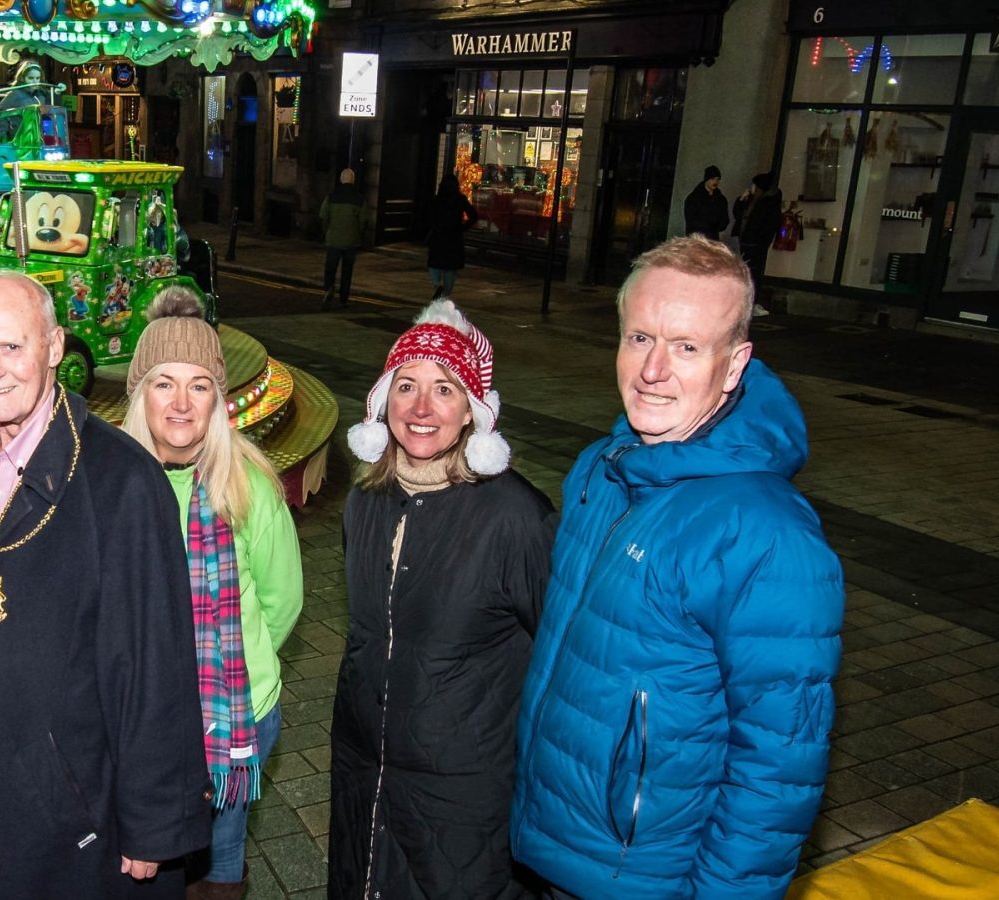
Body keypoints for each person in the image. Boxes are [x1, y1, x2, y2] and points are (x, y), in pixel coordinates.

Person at [510, 237, 844, 899]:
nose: (653, 370)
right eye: (639, 338)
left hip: (646, 878)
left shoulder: (768, 536)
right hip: (557, 850)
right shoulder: (601, 471)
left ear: (734, 364)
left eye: (687, 347)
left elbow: (777, 771)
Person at [0, 270, 212, 897]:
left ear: (54, 348)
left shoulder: (123, 479)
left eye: (12, 346)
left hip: (61, 808)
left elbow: (153, 665)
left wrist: (156, 819)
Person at [329, 300, 556, 899]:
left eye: (444, 390)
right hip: (365, 770)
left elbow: (559, 664)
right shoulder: (366, 502)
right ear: (382, 405)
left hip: (463, 795)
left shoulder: (515, 518)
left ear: (472, 412)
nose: (422, 408)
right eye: (406, 386)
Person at [121, 290, 304, 900]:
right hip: (138, 714)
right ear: (138, 392)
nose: (179, 403)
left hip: (234, 713)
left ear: (219, 403)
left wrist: (224, 666)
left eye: (199, 385)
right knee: (142, 847)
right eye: (163, 382)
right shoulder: (111, 487)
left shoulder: (247, 486)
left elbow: (281, 601)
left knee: (220, 853)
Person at [732, 171, 784, 316]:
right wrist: (741, 200)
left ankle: (751, 303)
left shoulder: (767, 204)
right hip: (746, 241)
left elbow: (770, 225)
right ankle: (743, 303)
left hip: (755, 243)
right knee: (745, 271)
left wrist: (762, 241)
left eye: (754, 185)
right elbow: (738, 214)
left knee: (753, 272)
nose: (752, 188)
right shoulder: (751, 201)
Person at [427, 173, 477, 300]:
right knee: (450, 269)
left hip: (439, 236)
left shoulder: (437, 199)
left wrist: (435, 227)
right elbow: (473, 216)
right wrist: (462, 227)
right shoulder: (460, 199)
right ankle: (445, 294)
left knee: (434, 265)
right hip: (454, 237)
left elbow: (429, 217)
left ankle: (437, 285)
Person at [320, 168, 365, 309]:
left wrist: (326, 232)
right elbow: (363, 221)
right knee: (347, 270)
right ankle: (343, 299)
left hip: (333, 239)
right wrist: (359, 235)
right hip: (351, 241)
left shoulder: (331, 196)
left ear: (341, 180)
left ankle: (329, 288)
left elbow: (323, 216)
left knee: (330, 267)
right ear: (353, 180)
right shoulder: (359, 199)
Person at [683, 164, 729, 241]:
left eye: (717, 179)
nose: (715, 182)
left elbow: (725, 219)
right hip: (697, 239)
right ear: (706, 179)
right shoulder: (694, 198)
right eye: (712, 179)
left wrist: (717, 226)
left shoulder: (721, 199)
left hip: (712, 238)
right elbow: (690, 219)